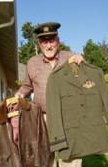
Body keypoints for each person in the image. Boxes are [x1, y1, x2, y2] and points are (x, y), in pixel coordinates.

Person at [15, 22, 84, 167]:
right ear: (39, 44)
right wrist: (20, 94)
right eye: (44, 41)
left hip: (68, 117)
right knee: (45, 159)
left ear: (58, 41)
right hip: (42, 119)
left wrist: (81, 64)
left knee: (70, 158)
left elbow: (85, 82)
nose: (49, 45)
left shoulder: (71, 57)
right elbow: (27, 85)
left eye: (51, 40)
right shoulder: (32, 63)